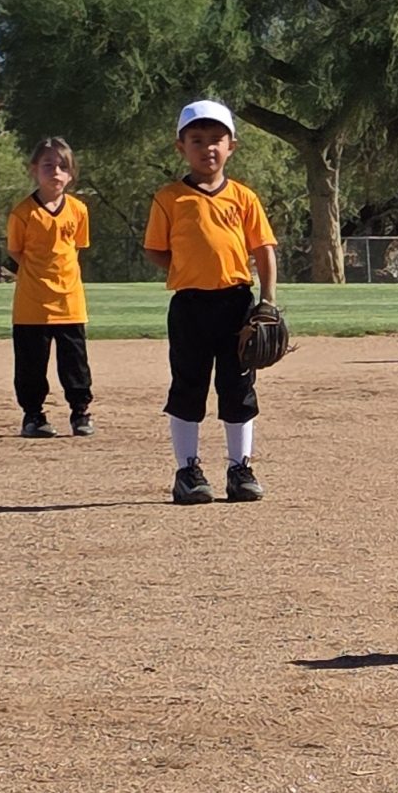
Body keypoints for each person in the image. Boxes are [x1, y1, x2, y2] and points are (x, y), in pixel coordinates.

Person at [142, 101, 279, 504]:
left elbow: (264, 248)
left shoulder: (243, 197)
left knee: (238, 388)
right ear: (180, 147)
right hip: (189, 306)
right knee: (188, 386)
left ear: (232, 145)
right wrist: (185, 268)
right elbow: (155, 250)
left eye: (217, 139)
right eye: (197, 140)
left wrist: (267, 301)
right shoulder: (170, 198)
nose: (208, 148)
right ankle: (187, 471)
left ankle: (241, 468)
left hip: (237, 302)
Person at [6, 137, 95, 438]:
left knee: (75, 364)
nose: (55, 172)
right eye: (48, 165)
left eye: (62, 167)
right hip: (32, 304)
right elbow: (16, 251)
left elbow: (76, 247)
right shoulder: (23, 213)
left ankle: (80, 412)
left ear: (71, 174)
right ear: (34, 170)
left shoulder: (78, 210)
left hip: (69, 301)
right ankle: (34, 415)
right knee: (31, 364)